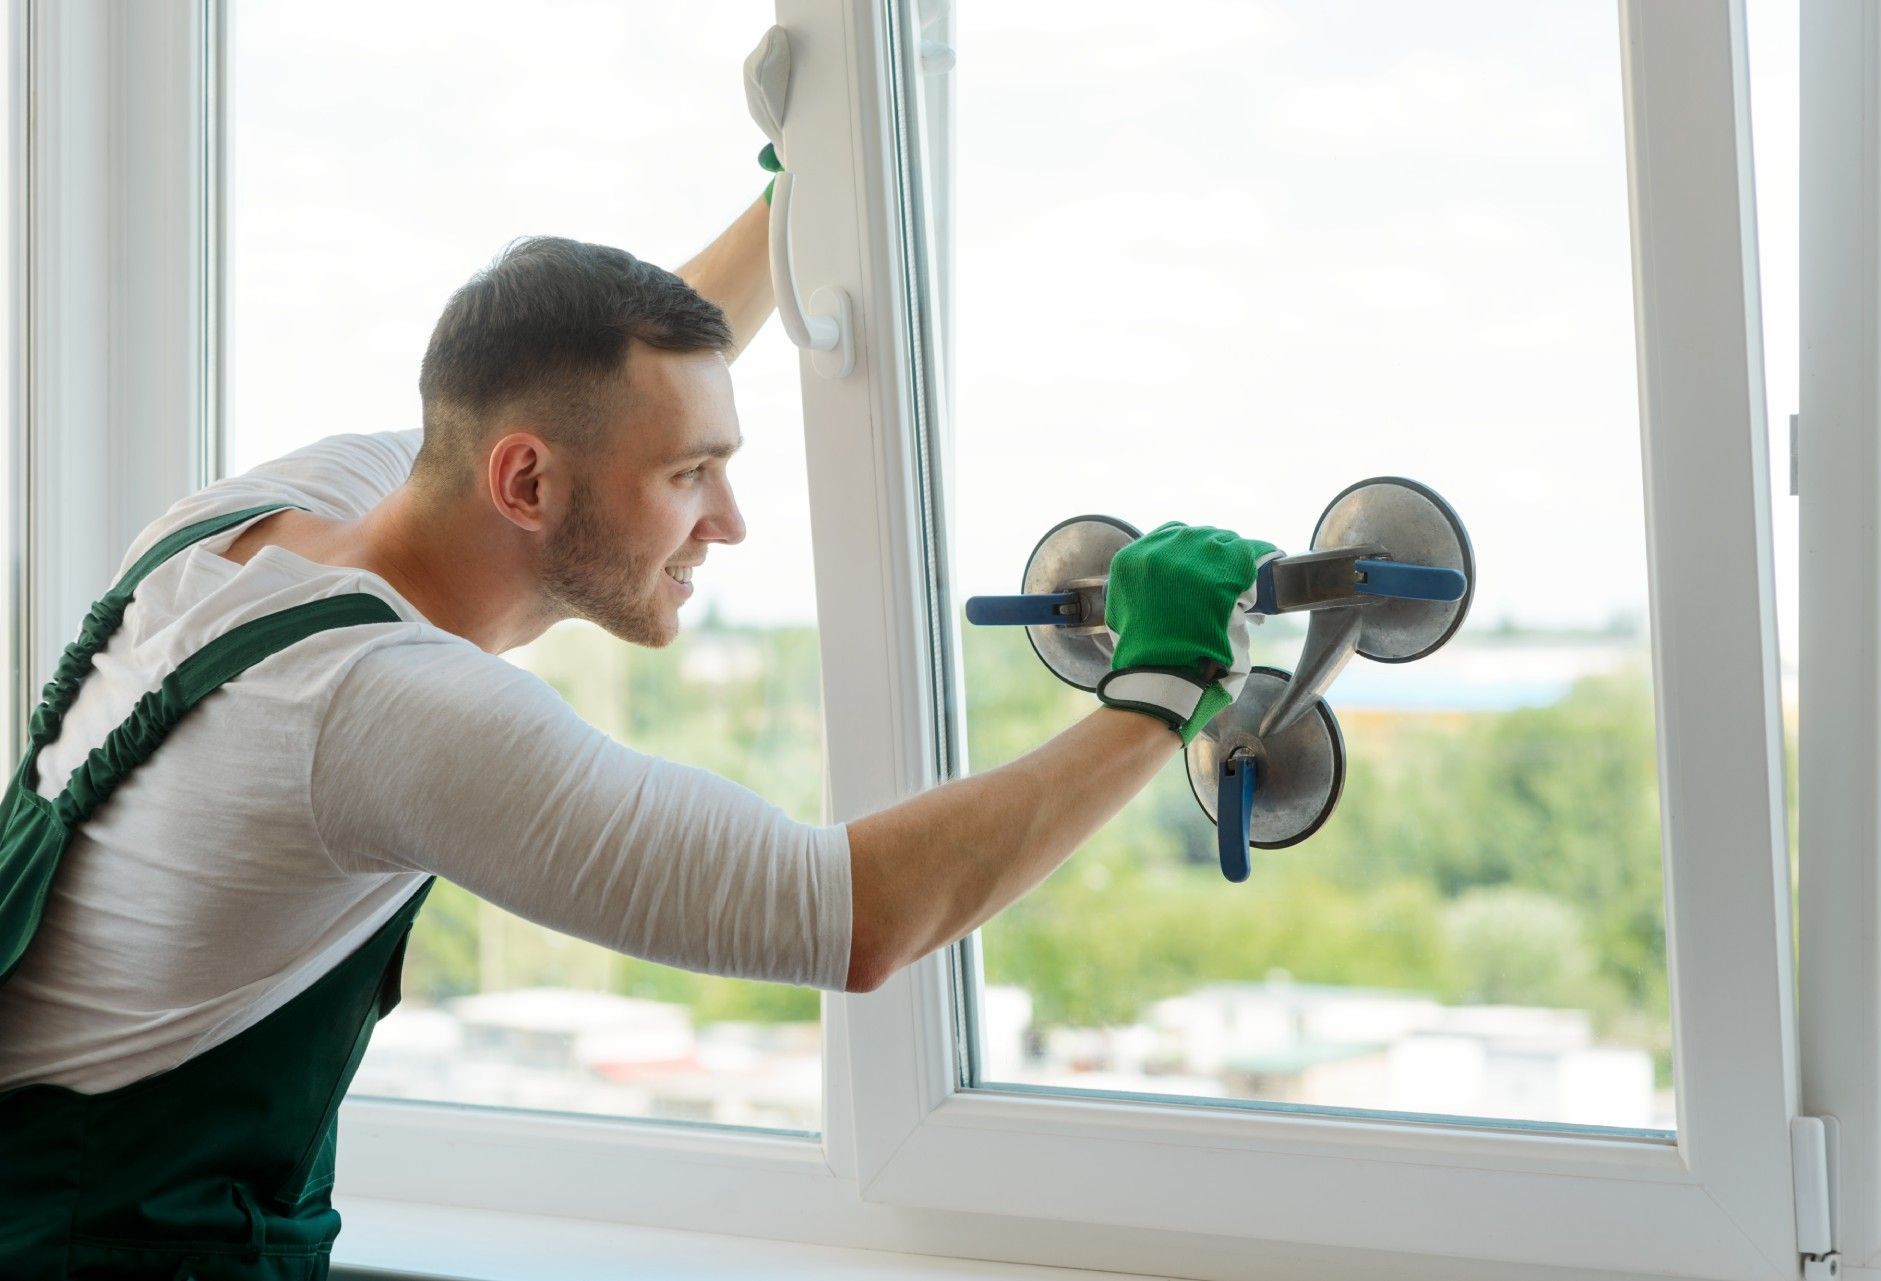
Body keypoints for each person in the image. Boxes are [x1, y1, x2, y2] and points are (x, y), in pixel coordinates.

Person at [0, 181, 1271, 1276]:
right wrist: (1160, 691)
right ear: (526, 485)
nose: (727, 521)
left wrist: (794, 208)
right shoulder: (385, 706)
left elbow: (578, 390)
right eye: (688, 478)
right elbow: (855, 912)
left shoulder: (265, 511)